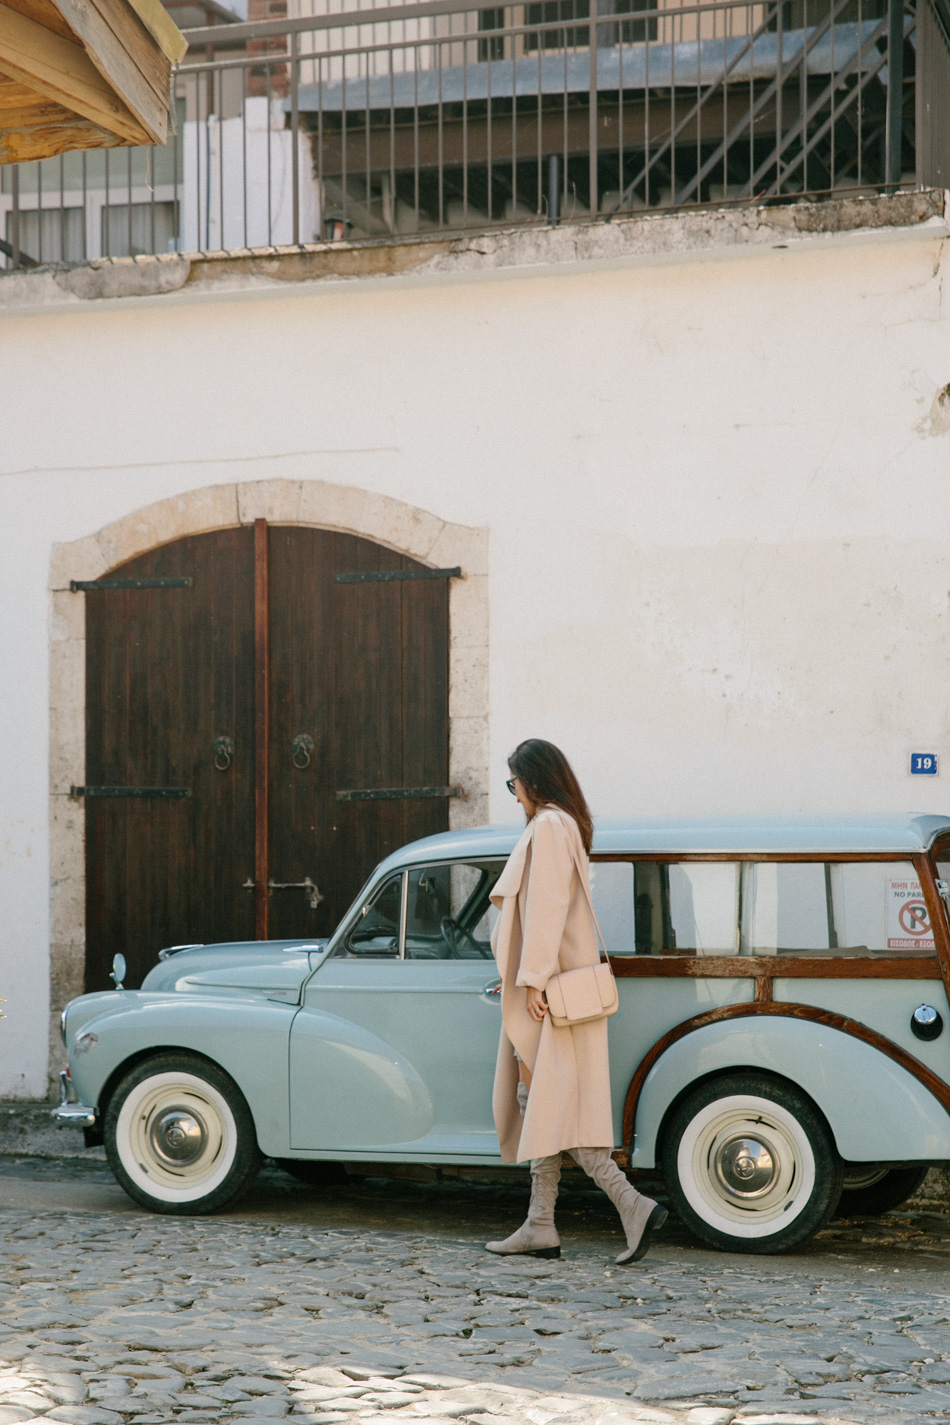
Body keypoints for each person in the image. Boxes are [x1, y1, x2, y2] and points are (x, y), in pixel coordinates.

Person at [485, 738, 667, 1263]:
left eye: (514, 781)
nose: (513, 792)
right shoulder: (567, 825)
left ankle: (629, 1205)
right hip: (550, 988)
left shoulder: (546, 826)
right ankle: (540, 1224)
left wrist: (534, 979)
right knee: (542, 1102)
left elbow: (545, 908)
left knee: (551, 1105)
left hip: (547, 994)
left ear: (533, 780)